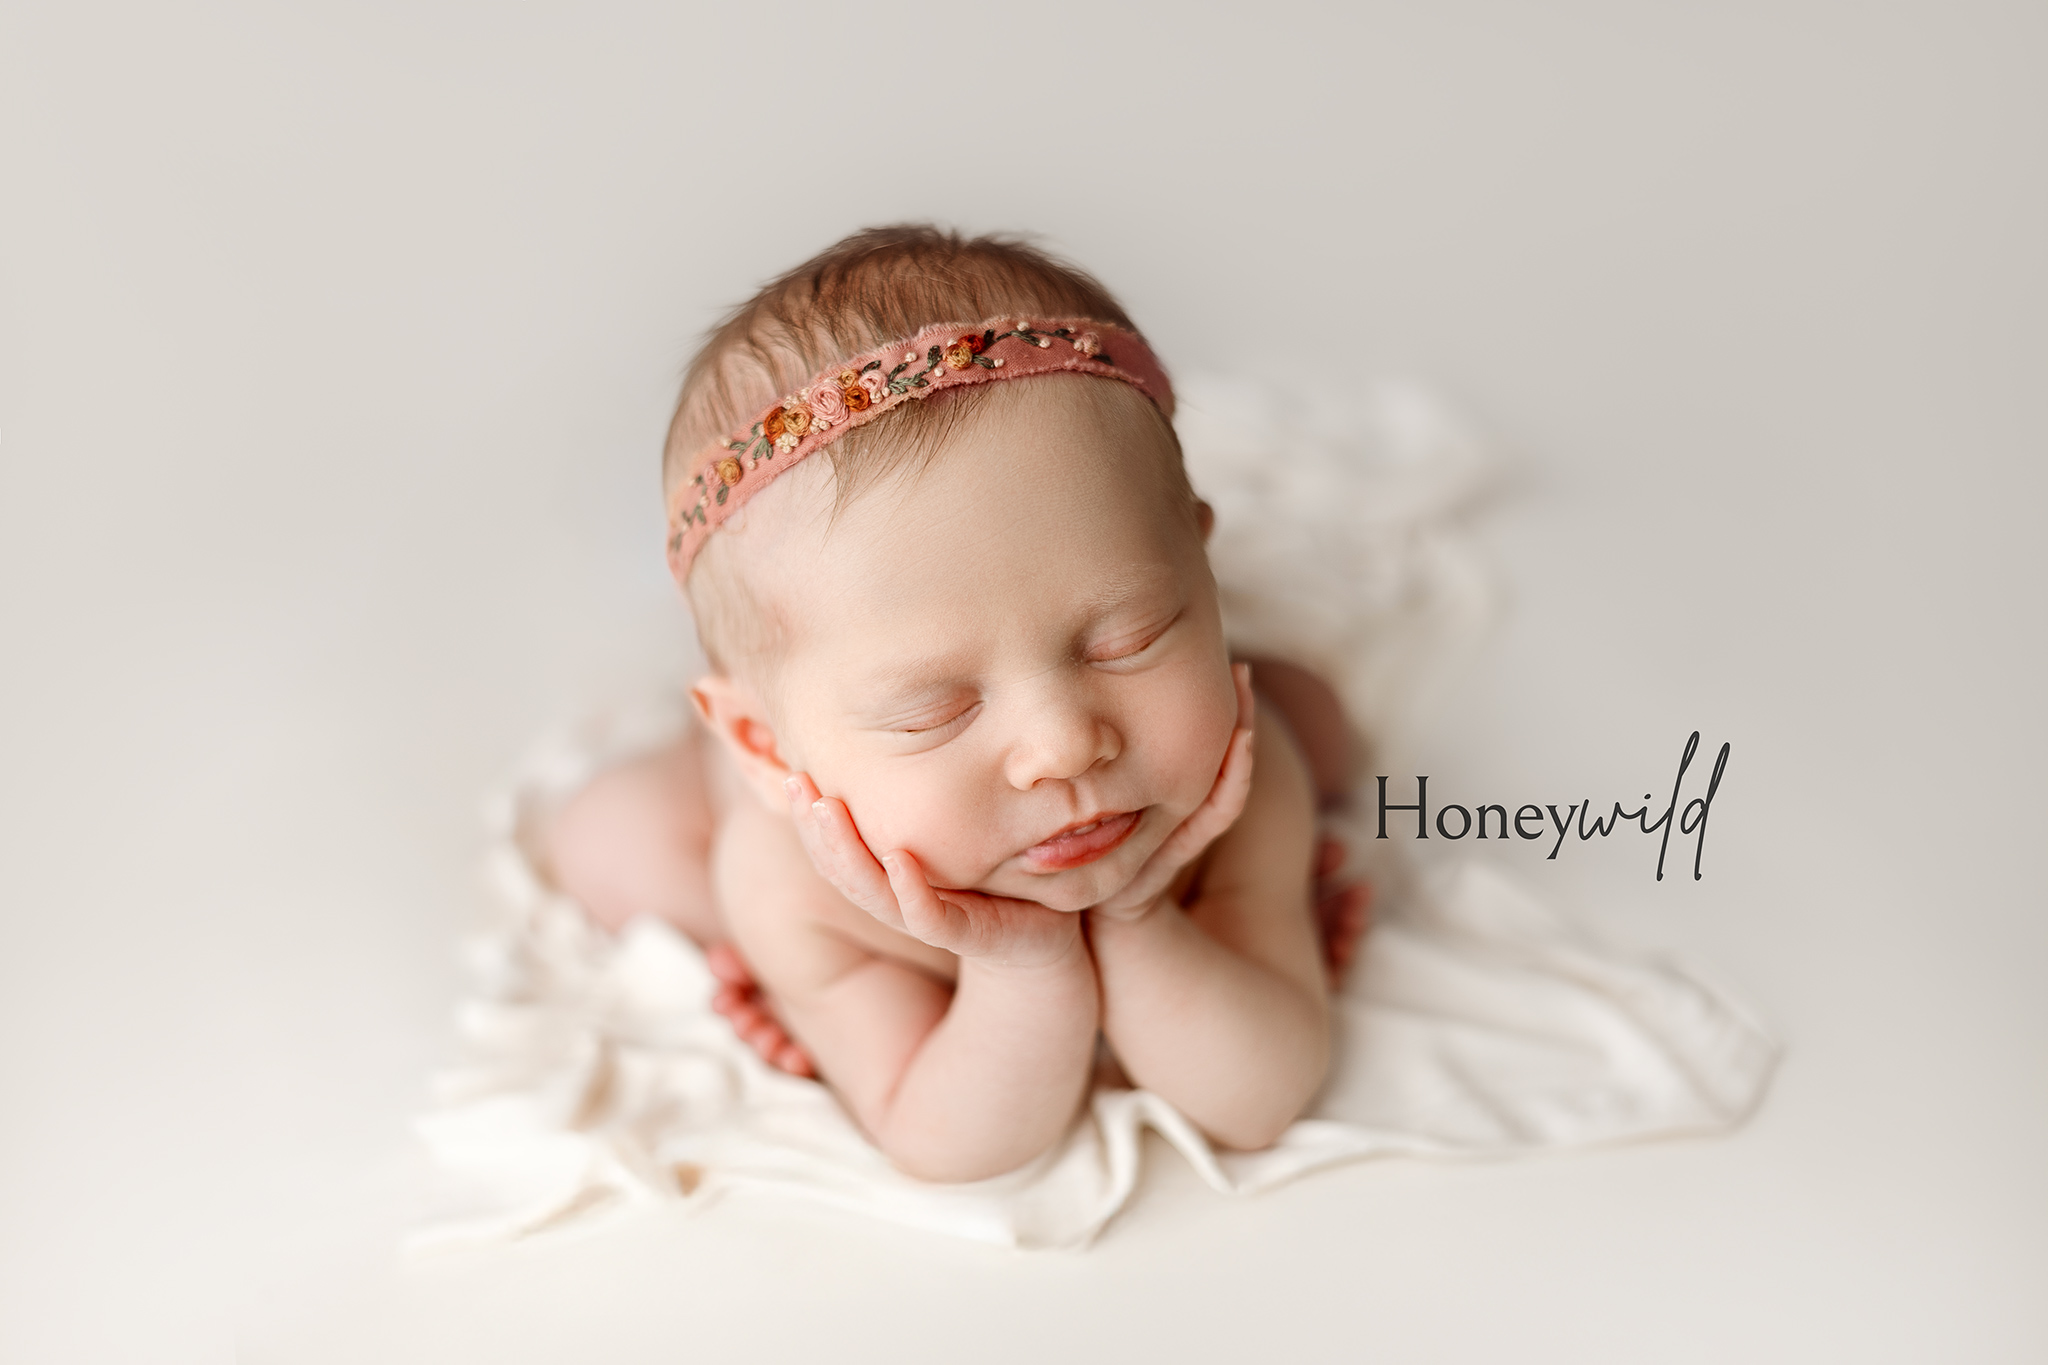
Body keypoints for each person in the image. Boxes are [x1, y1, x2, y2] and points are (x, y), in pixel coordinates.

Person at [546, 226, 1367, 1183]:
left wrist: (1146, 915)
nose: (1063, 746)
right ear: (767, 748)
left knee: (1319, 719)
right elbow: (952, 1144)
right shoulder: (799, 883)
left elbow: (1260, 1096)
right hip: (780, 838)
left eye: (1130, 635)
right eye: (933, 710)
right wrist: (1023, 966)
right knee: (610, 843)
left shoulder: (1234, 781)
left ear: (1201, 561)